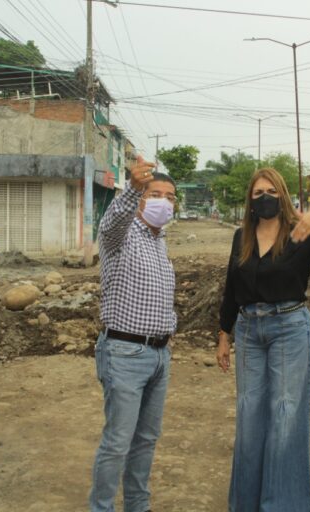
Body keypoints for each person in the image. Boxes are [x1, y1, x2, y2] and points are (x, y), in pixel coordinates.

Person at [216, 168, 310, 512]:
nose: (263, 197)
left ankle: (280, 505)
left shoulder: (302, 233)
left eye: (269, 190)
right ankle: (246, 504)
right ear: (250, 201)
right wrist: (224, 335)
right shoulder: (241, 237)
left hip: (289, 328)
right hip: (249, 331)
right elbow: (231, 288)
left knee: (284, 416)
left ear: (280, 194)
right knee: (249, 417)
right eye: (257, 193)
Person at [89, 155, 176, 512]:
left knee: (146, 441)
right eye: (155, 194)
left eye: (170, 197)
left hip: (159, 355)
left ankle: (138, 507)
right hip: (125, 353)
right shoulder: (120, 237)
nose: (163, 201)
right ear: (140, 198)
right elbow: (111, 223)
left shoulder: (160, 241)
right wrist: (132, 188)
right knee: (118, 442)